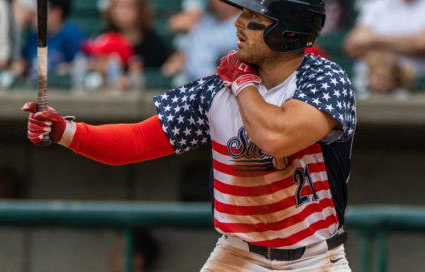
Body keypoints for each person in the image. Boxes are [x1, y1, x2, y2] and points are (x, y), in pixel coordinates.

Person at [22, 0, 356, 270]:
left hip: (315, 259)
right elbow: (135, 141)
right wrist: (66, 131)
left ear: (288, 33)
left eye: (254, 18)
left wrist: (242, 84)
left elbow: (276, 136)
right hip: (239, 256)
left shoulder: (324, 79)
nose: (238, 24)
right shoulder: (215, 90)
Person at [343, 0, 425, 93]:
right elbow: (354, 45)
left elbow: (423, 42)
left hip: (411, 88)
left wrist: (373, 41)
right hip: (367, 86)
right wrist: (405, 46)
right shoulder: (378, 4)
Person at [161, 0, 239, 83]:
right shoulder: (204, 22)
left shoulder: (243, 23)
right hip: (193, 83)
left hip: (223, 85)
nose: (217, 2)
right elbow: (183, 55)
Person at [15, 0, 84, 80]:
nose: (34, 14)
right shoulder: (33, 35)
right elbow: (23, 61)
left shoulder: (71, 34)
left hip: (58, 89)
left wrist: (66, 68)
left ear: (56, 13)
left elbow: (85, 63)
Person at [101, 0, 171, 69]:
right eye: (116, 6)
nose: (121, 12)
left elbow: (164, 68)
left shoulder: (154, 43)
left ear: (141, 10)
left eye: (129, 7)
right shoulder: (102, 39)